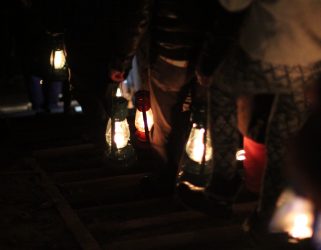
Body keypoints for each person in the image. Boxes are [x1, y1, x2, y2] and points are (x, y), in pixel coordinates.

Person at [197, 0, 321, 227]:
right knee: (285, 133)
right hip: (311, 63)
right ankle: (268, 214)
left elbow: (232, 5)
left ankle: (223, 185)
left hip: (265, 54)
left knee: (221, 88)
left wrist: (207, 62)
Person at [64, 0, 150, 153]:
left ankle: (109, 146)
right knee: (102, 101)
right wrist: (122, 59)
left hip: (87, 49)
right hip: (105, 49)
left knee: (98, 103)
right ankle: (111, 147)